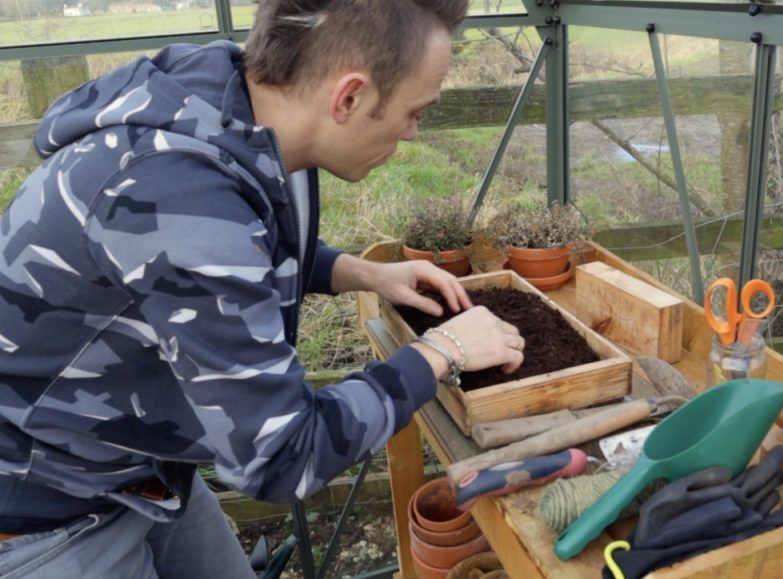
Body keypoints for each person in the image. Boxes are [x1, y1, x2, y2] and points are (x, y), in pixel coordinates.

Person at [0, 0, 525, 576]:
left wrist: (363, 273)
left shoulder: (240, 107)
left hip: (138, 468)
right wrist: (442, 352)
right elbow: (283, 458)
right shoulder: (172, 193)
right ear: (348, 97)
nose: (414, 132)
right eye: (413, 111)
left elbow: (236, 255)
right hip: (41, 509)